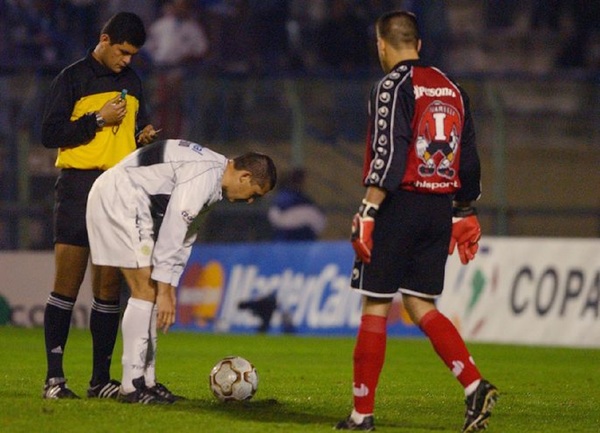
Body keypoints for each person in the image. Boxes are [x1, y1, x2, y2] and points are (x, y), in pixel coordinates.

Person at [336, 11, 498, 433]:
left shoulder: (392, 86)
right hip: (438, 209)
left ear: (381, 45)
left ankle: (361, 415)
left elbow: (392, 150)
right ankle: (473, 385)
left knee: (375, 303)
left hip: (398, 204)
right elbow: (469, 157)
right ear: (420, 45)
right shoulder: (453, 88)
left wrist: (369, 209)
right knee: (420, 303)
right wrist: (465, 210)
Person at [86, 139, 276, 403]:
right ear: (244, 176)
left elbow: (185, 239)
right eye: (255, 193)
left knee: (150, 291)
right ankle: (131, 386)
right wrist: (164, 289)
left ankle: (147, 382)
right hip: (120, 198)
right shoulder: (204, 174)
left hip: (125, 199)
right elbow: (174, 227)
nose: (250, 201)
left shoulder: (212, 181)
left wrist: (170, 285)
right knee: (145, 290)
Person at [41, 12, 161, 399]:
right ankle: (54, 380)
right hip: (79, 187)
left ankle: (101, 380)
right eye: (122, 52)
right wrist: (97, 118)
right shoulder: (72, 78)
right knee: (67, 284)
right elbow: (50, 133)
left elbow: (132, 129)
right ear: (104, 39)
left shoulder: (133, 81)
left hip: (119, 188)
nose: (126, 60)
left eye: (133, 55)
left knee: (109, 287)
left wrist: (142, 136)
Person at [267, 168, 326, 241]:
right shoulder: (291, 199)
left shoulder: (281, 199)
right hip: (298, 242)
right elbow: (318, 222)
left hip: (287, 241)